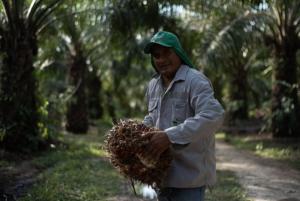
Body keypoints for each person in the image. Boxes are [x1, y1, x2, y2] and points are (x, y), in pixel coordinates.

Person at [142, 31, 224, 201]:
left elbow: (213, 116)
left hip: (189, 179)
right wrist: (139, 132)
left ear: (178, 53)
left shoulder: (195, 81)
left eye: (167, 53)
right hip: (161, 177)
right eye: (157, 56)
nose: (162, 60)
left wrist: (169, 136)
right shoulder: (153, 85)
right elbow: (153, 117)